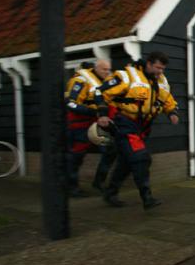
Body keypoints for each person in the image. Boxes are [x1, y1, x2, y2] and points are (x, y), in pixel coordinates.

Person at [94, 51, 179, 210]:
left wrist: (172, 113)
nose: (161, 71)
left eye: (163, 68)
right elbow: (100, 92)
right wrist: (103, 114)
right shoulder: (126, 76)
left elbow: (167, 99)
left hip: (143, 127)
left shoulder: (161, 81)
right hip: (125, 123)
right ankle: (147, 198)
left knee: (126, 162)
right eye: (158, 67)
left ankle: (110, 193)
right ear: (148, 64)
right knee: (141, 158)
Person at [64, 59, 117, 198]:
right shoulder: (81, 81)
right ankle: (71, 188)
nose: (107, 72)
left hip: (97, 125)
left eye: (109, 69)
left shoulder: (102, 83)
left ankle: (98, 182)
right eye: (104, 69)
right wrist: (94, 113)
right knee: (76, 157)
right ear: (96, 68)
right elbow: (70, 103)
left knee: (110, 150)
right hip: (79, 126)